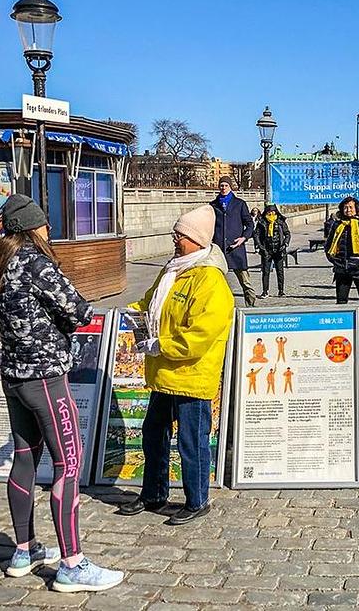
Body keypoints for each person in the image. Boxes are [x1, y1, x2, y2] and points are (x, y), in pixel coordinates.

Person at [0, 194, 123, 593]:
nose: (49, 230)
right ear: (33, 226)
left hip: (13, 375)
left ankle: (24, 550)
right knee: (69, 463)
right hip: (45, 376)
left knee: (25, 459)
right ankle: (72, 564)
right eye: (44, 224)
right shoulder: (36, 262)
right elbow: (79, 310)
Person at [117, 204, 234, 526]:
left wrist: (161, 345)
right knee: (153, 433)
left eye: (180, 235)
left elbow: (200, 335)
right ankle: (154, 493)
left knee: (191, 440)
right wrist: (130, 311)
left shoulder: (209, 280)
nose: (175, 239)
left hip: (191, 374)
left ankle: (197, 499)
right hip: (164, 372)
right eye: (175, 234)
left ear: (197, 239)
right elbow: (151, 301)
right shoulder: (173, 269)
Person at [325, 196, 359, 341]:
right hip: (342, 269)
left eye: (351, 207)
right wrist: (333, 260)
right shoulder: (337, 225)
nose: (348, 210)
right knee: (341, 301)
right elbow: (328, 246)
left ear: (356, 209)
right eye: (345, 207)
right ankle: (342, 331)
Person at [210, 177, 256, 307]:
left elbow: (250, 224)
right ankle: (221, 309)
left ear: (230, 187)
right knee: (217, 282)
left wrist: (244, 238)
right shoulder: (213, 205)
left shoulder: (239, 204)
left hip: (236, 249)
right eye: (221, 185)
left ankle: (250, 307)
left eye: (225, 185)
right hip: (219, 249)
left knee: (245, 282)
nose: (223, 188)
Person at [254, 204, 291, 298]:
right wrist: (260, 246)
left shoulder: (280, 221)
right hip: (266, 249)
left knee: (280, 271)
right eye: (269, 212)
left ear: (276, 212)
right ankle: (265, 291)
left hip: (279, 249)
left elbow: (287, 234)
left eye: (273, 212)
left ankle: (281, 291)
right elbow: (256, 235)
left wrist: (285, 243)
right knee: (265, 272)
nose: (271, 213)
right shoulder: (262, 222)